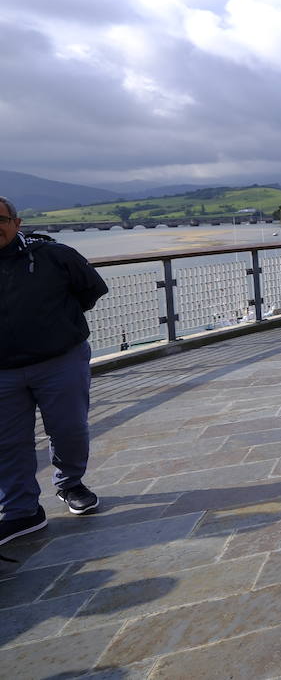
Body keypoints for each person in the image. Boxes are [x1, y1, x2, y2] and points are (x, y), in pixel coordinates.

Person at [0, 197, 109, 546]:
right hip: (2, 372)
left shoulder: (53, 255)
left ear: (16, 223)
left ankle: (71, 484)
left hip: (60, 360)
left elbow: (90, 291)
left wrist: (56, 326)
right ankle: (21, 512)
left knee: (69, 429)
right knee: (8, 443)